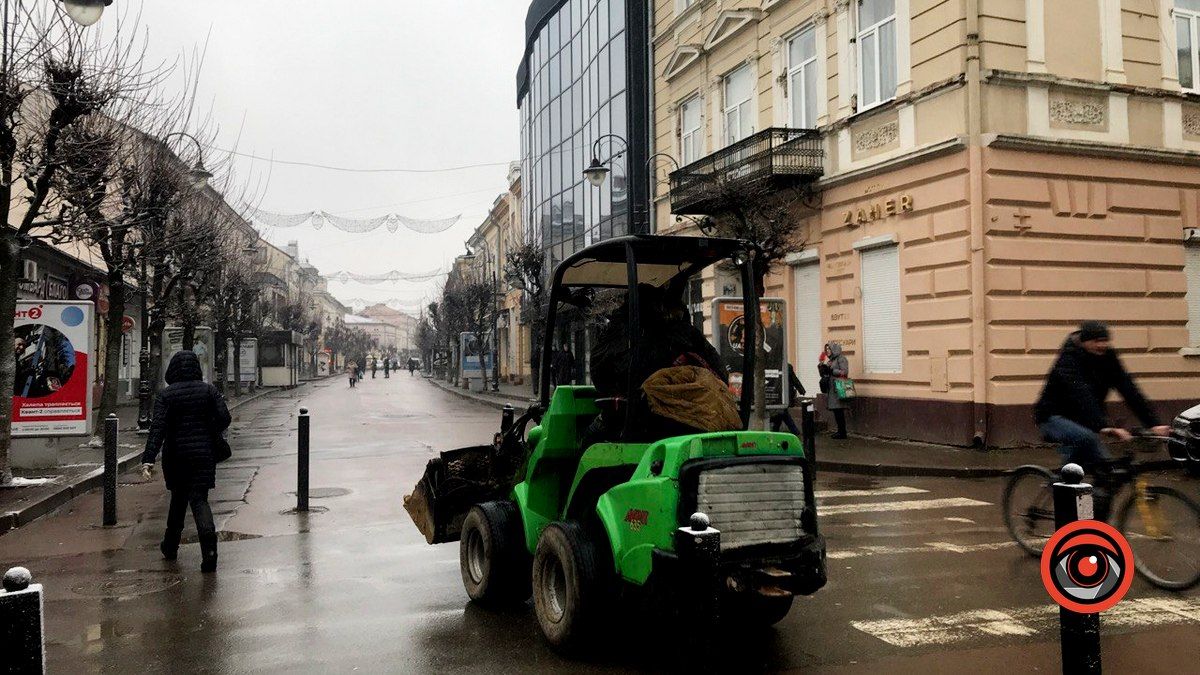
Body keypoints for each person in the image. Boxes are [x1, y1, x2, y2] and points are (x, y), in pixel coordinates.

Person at [140, 351, 231, 573]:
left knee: (178, 498)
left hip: (176, 456)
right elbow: (224, 418)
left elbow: (157, 428)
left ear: (172, 370)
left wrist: (148, 459)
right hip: (203, 454)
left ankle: (170, 546)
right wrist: (207, 428)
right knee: (199, 500)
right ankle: (209, 551)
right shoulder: (208, 391)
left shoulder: (166, 395)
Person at [1034, 321, 1169, 470]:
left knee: (1107, 471)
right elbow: (1082, 394)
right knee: (1085, 439)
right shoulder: (1068, 360)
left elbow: (1129, 390)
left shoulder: (1108, 357)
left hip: (1085, 420)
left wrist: (1153, 424)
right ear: (1084, 341)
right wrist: (1104, 427)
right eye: (1097, 341)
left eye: (1105, 341)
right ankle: (1062, 483)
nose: (1102, 345)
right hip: (1052, 417)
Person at [822, 343, 849, 439]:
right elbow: (828, 373)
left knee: (839, 411)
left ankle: (842, 432)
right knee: (836, 411)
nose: (827, 351)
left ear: (834, 349)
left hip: (839, 388)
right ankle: (840, 431)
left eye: (829, 349)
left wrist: (832, 371)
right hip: (832, 389)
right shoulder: (830, 361)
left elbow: (844, 372)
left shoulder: (841, 358)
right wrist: (823, 369)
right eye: (826, 349)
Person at [770, 363, 806, 435]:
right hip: (781, 395)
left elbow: (794, 379)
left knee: (782, 413)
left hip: (778, 395)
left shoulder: (774, 366)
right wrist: (801, 390)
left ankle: (793, 432)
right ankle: (794, 432)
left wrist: (801, 390)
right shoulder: (787, 366)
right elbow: (794, 380)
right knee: (782, 414)